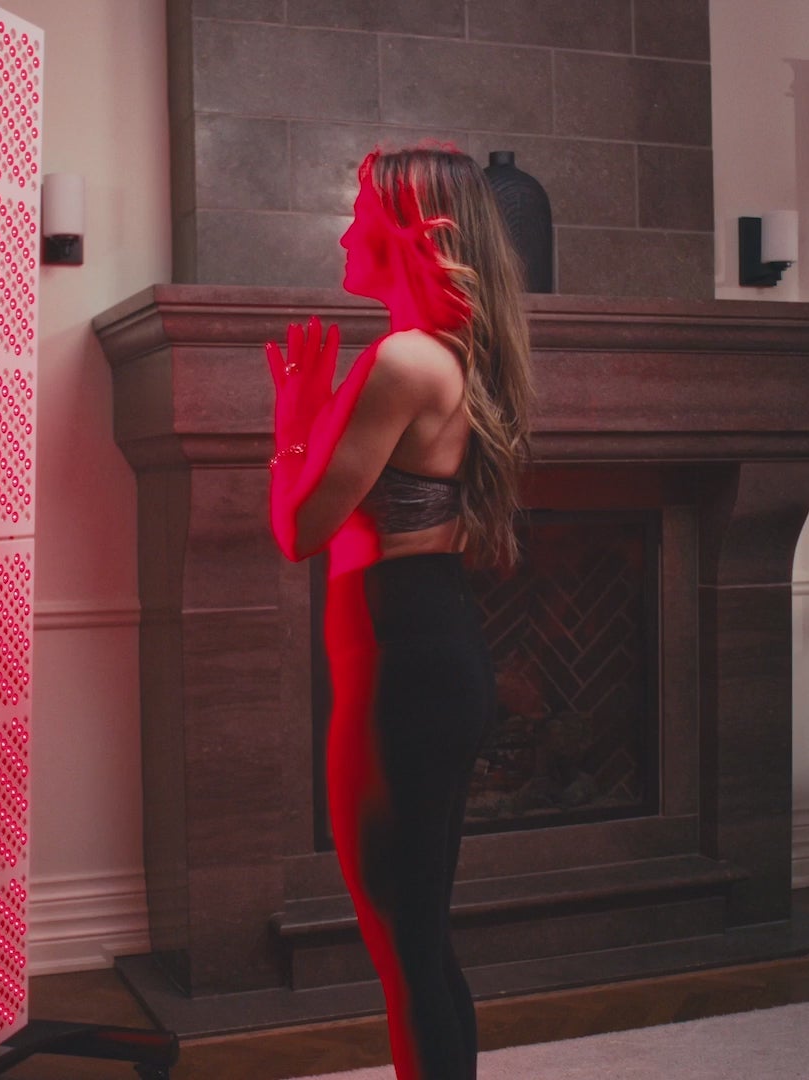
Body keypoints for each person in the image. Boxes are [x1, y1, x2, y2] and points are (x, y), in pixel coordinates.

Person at [265, 145, 535, 1080]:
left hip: (400, 664)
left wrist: (291, 424)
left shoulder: (404, 360)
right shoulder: (456, 353)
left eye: (361, 216)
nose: (346, 231)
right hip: (429, 646)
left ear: (414, 235)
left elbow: (299, 529)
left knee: (407, 950)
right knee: (418, 942)